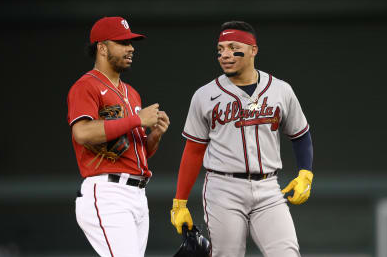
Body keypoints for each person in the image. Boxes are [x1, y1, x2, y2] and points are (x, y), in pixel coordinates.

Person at [170, 21, 314, 257]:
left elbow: (300, 134)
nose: (225, 54)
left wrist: (305, 173)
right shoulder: (204, 95)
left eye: (233, 47)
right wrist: (180, 202)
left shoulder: (280, 90)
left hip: (268, 187)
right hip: (223, 188)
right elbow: (193, 150)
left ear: (253, 50)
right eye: (221, 49)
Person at [67, 16, 170, 257]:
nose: (131, 48)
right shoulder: (86, 86)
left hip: (137, 193)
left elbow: (135, 152)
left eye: (131, 43)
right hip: (107, 192)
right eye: (123, 42)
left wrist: (154, 136)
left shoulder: (131, 93)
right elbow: (81, 132)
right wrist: (137, 120)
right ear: (102, 47)